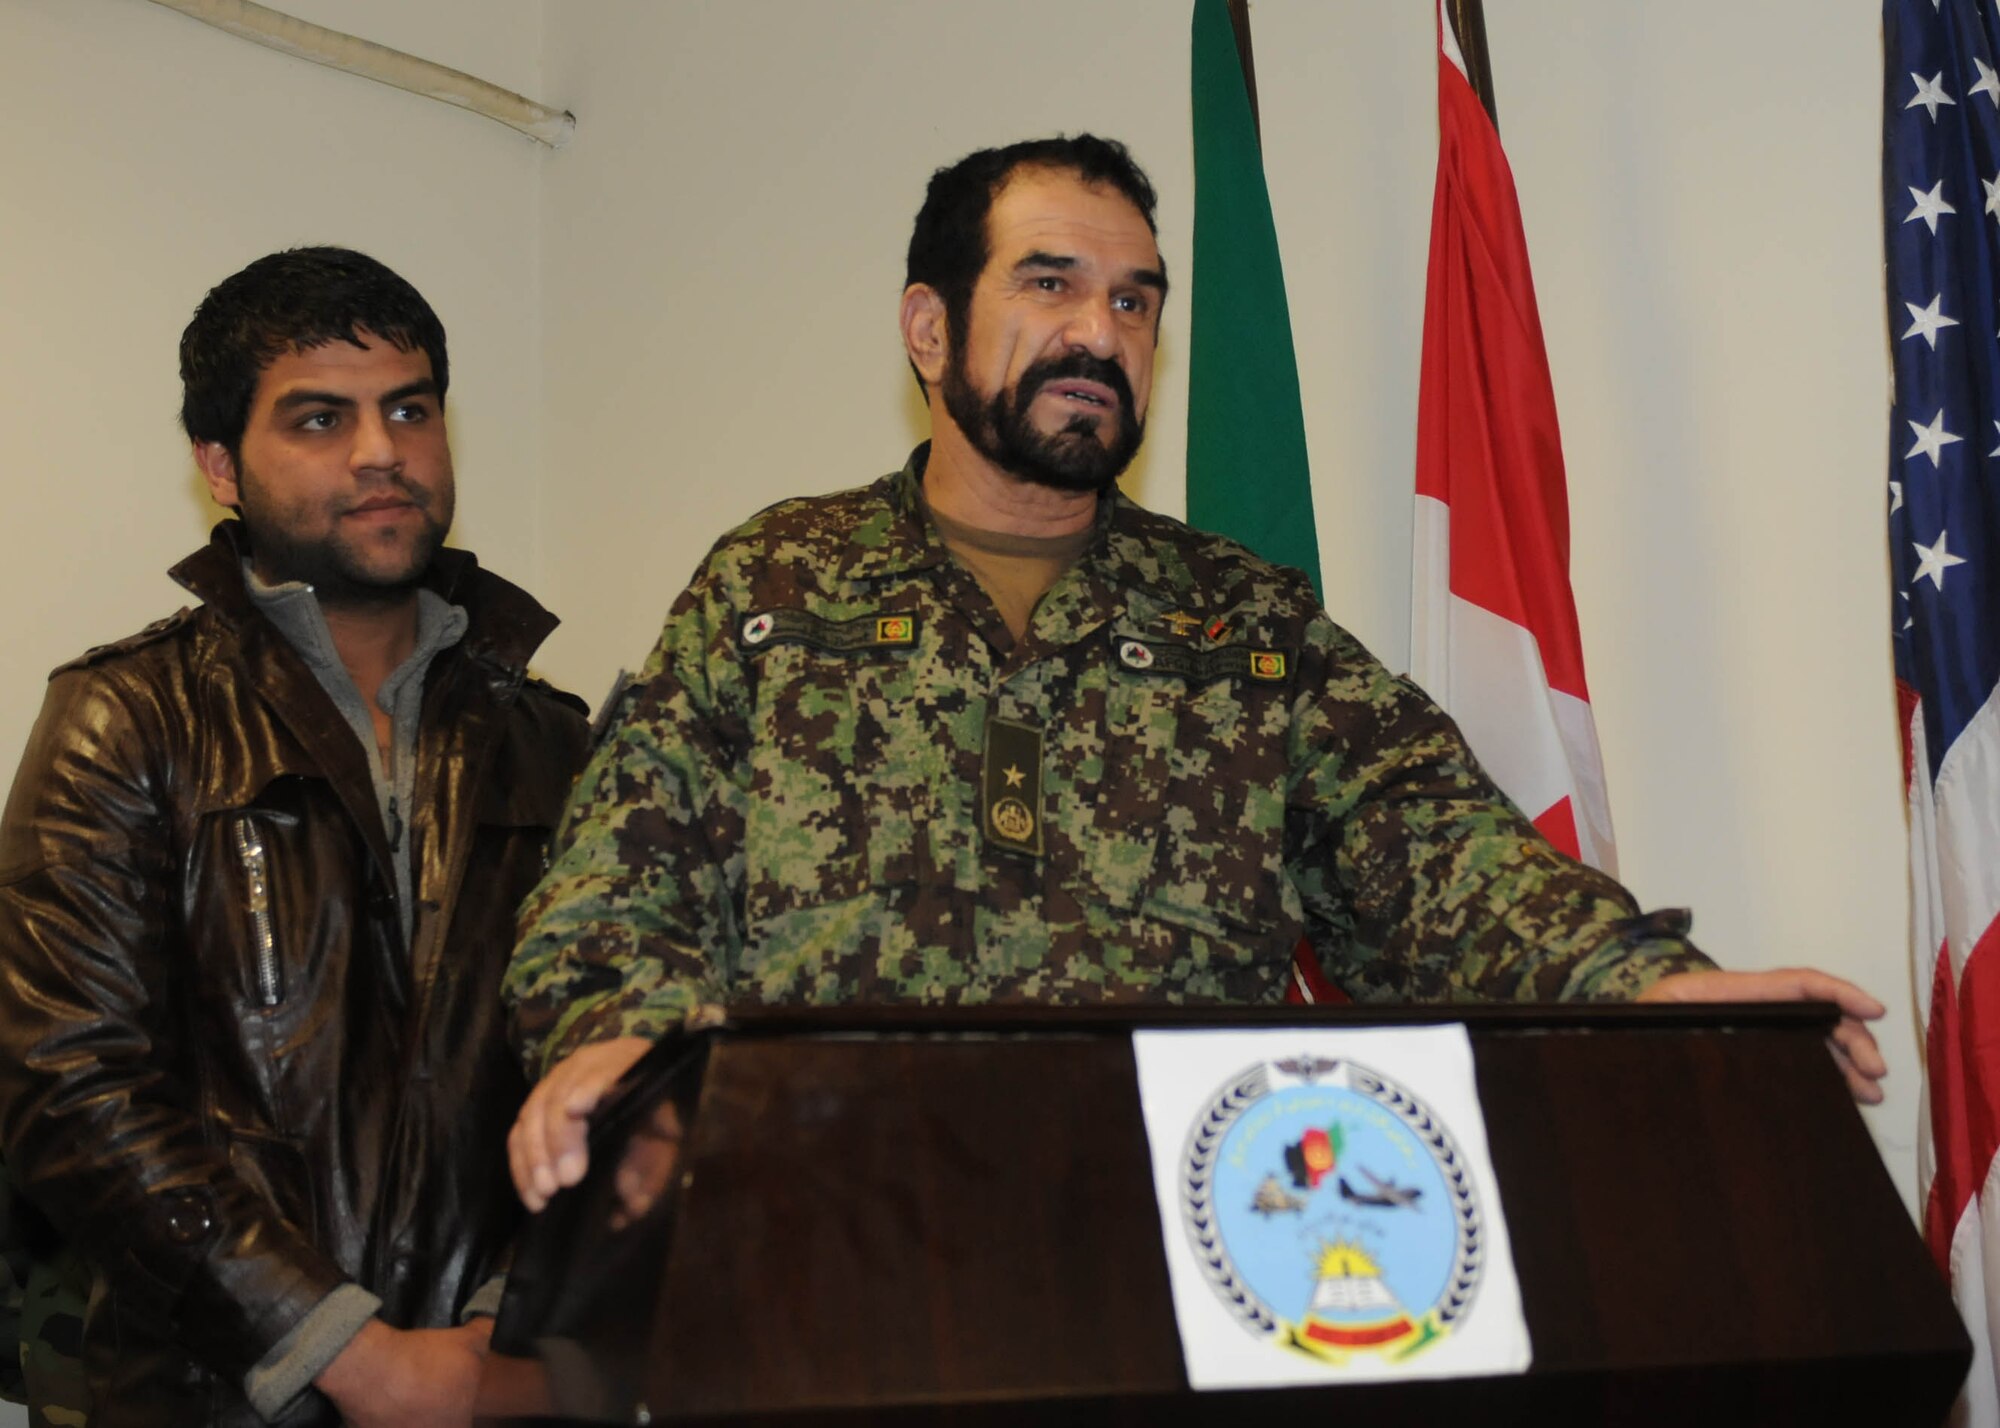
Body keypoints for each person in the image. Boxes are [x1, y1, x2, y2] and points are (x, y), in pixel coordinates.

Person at [501, 135, 1885, 1213]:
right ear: (929, 328)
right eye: (1049, 284)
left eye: (1135, 299)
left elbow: (1439, 857)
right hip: (831, 1237)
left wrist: (1643, 989)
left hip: (1186, 1251)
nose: (1100, 333)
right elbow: (613, 891)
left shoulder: (1243, 623)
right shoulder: (777, 584)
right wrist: (623, 1048)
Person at [0, 247, 590, 1427]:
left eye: (409, 408)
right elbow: (66, 1084)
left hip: (502, 1383)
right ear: (220, 466)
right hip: (209, 1394)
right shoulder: (126, 717)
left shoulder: (552, 737)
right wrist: (350, 1356)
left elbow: (599, 1053)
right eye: (319, 418)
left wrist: (499, 1326)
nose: (382, 451)